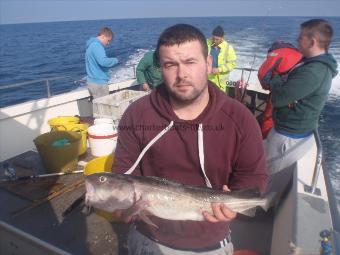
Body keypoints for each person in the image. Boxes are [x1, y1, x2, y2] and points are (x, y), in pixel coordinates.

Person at [112, 24, 267, 255]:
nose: (181, 74)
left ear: (208, 64)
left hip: (213, 240)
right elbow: (124, 172)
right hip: (148, 237)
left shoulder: (240, 119)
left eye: (190, 62)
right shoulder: (136, 115)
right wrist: (119, 204)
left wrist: (236, 203)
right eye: (170, 65)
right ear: (161, 69)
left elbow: (253, 175)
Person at [262, 19, 338, 176]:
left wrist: (276, 78)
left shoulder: (313, 71)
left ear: (312, 41)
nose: (296, 41)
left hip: (288, 138)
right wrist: (284, 84)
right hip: (285, 131)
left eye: (300, 38)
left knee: (270, 178)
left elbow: (278, 99)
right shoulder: (308, 64)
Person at [85, 27, 119, 99]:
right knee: (103, 108)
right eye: (108, 40)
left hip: (93, 81)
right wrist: (115, 60)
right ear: (103, 36)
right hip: (99, 83)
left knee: (98, 106)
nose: (108, 43)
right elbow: (103, 62)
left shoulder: (91, 45)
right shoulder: (97, 46)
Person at [207, 25, 237, 93]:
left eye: (217, 39)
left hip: (220, 84)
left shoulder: (228, 48)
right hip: (207, 81)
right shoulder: (206, 44)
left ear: (222, 38)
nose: (214, 41)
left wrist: (219, 69)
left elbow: (232, 64)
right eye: (213, 38)